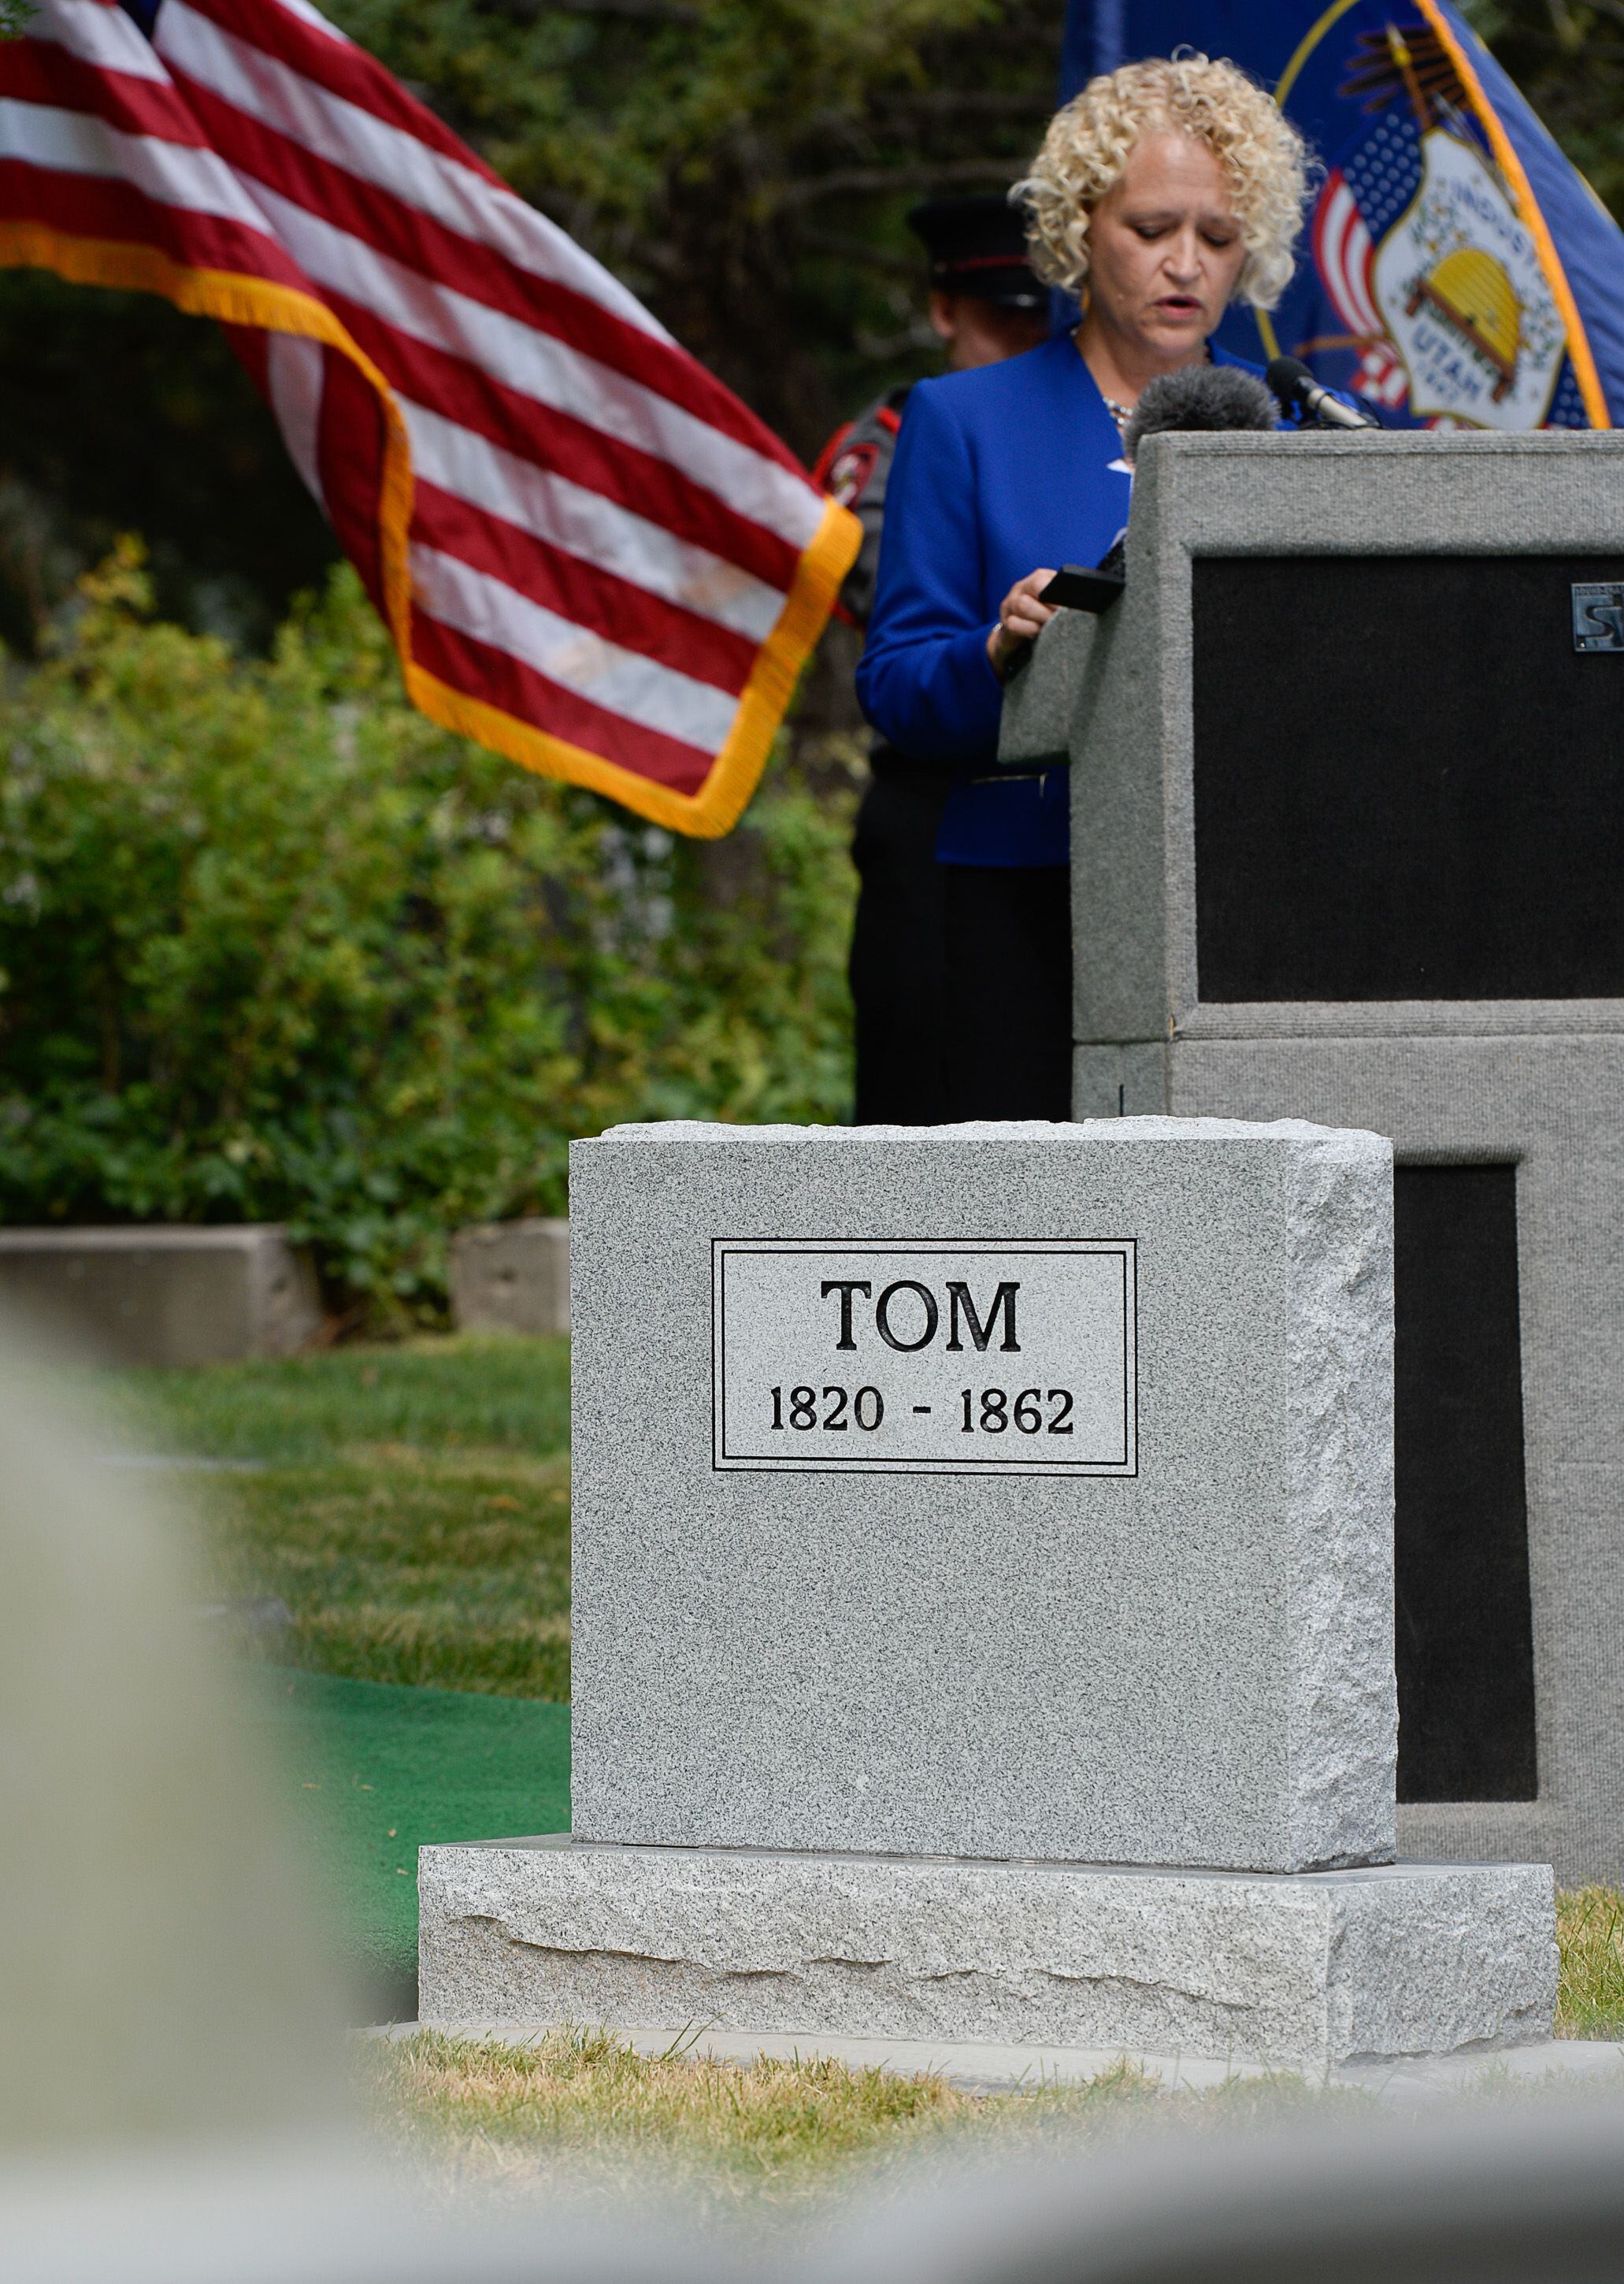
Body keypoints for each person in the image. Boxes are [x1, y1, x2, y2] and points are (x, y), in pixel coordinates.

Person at [856, 57, 1311, 1118]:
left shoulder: (1284, 427)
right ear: (1076, 227)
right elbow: (895, 682)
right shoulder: (962, 419)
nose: (1184, 265)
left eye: (1217, 236)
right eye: (1151, 229)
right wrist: (994, 650)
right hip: (1026, 898)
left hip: (1242, 903)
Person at [814, 197, 1047, 1125]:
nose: (1023, 337)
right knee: (922, 1110)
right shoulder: (894, 444)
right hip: (936, 794)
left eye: (1039, 315)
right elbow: (887, 595)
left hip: (1052, 811)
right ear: (945, 311)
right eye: (1001, 317)